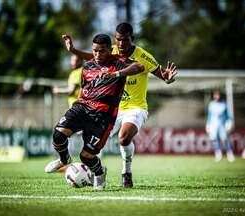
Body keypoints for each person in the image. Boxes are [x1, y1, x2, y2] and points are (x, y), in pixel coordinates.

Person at [61, 22, 178, 188]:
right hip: (113, 108)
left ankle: (126, 172)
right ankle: (96, 175)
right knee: (94, 144)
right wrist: (73, 51)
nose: (120, 44)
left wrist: (167, 77)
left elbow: (163, 75)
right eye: (118, 40)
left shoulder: (143, 56)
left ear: (132, 38)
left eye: (124, 40)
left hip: (135, 107)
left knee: (123, 138)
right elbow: (93, 57)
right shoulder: (112, 50)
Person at [44, 34, 144, 190]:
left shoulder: (118, 62)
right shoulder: (87, 66)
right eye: (95, 51)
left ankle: (99, 173)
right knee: (58, 135)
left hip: (103, 116)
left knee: (86, 156)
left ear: (110, 50)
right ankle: (64, 159)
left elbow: (140, 66)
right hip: (82, 107)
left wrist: (116, 74)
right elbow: (84, 90)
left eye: (102, 51)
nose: (98, 55)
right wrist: (76, 106)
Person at [206, 90, 235, 162]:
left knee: (225, 139)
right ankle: (218, 154)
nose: (216, 96)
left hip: (222, 125)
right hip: (213, 125)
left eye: (217, 95)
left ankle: (229, 154)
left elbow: (228, 115)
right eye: (215, 95)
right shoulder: (211, 104)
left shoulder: (224, 104)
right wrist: (208, 124)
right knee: (215, 139)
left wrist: (229, 122)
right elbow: (209, 116)